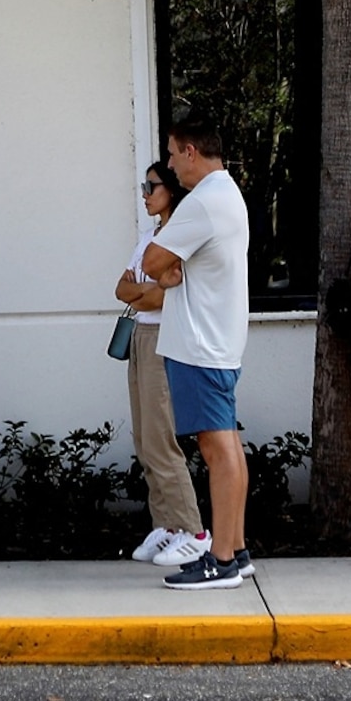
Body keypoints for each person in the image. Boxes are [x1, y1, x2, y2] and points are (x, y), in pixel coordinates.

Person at [143, 119, 254, 590]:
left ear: (191, 152)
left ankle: (222, 559)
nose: (168, 165)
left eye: (171, 154)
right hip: (216, 342)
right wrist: (173, 267)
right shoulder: (225, 194)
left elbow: (151, 261)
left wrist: (169, 267)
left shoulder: (204, 200)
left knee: (217, 448)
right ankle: (238, 548)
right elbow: (167, 267)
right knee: (225, 445)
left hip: (202, 346)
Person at [114, 162, 208, 569]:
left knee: (161, 437)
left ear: (171, 190)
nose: (145, 193)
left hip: (163, 339)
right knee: (144, 439)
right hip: (139, 337)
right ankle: (166, 524)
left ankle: (193, 530)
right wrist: (148, 289)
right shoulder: (148, 239)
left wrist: (144, 291)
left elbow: (161, 299)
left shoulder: (178, 239)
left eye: (151, 186)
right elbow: (122, 289)